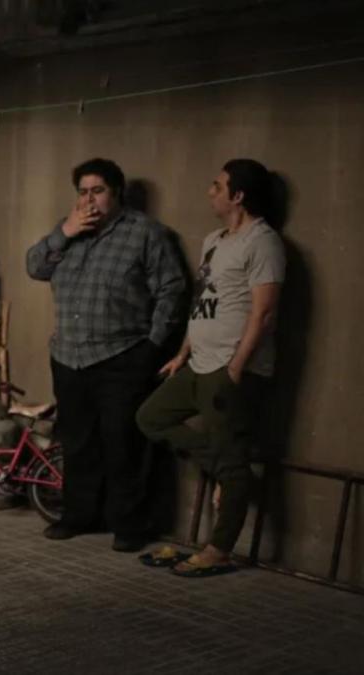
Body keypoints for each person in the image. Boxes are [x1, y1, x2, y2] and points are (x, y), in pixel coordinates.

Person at [27, 157, 186, 552]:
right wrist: (64, 231)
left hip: (123, 354)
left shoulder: (146, 233)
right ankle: (79, 516)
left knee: (123, 444)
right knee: (78, 442)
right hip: (69, 354)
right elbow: (34, 267)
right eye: (82, 192)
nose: (89, 199)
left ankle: (128, 525)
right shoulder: (68, 232)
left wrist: (152, 345)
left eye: (97, 190)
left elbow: (173, 289)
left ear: (117, 192)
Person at [136, 159, 284, 577]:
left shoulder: (263, 241)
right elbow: (201, 304)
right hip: (198, 363)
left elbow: (265, 312)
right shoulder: (214, 240)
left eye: (217, 185)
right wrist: (182, 353)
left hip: (230, 368)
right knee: (150, 417)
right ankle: (222, 466)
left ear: (238, 195)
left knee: (235, 461)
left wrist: (237, 366)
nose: (210, 192)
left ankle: (219, 548)